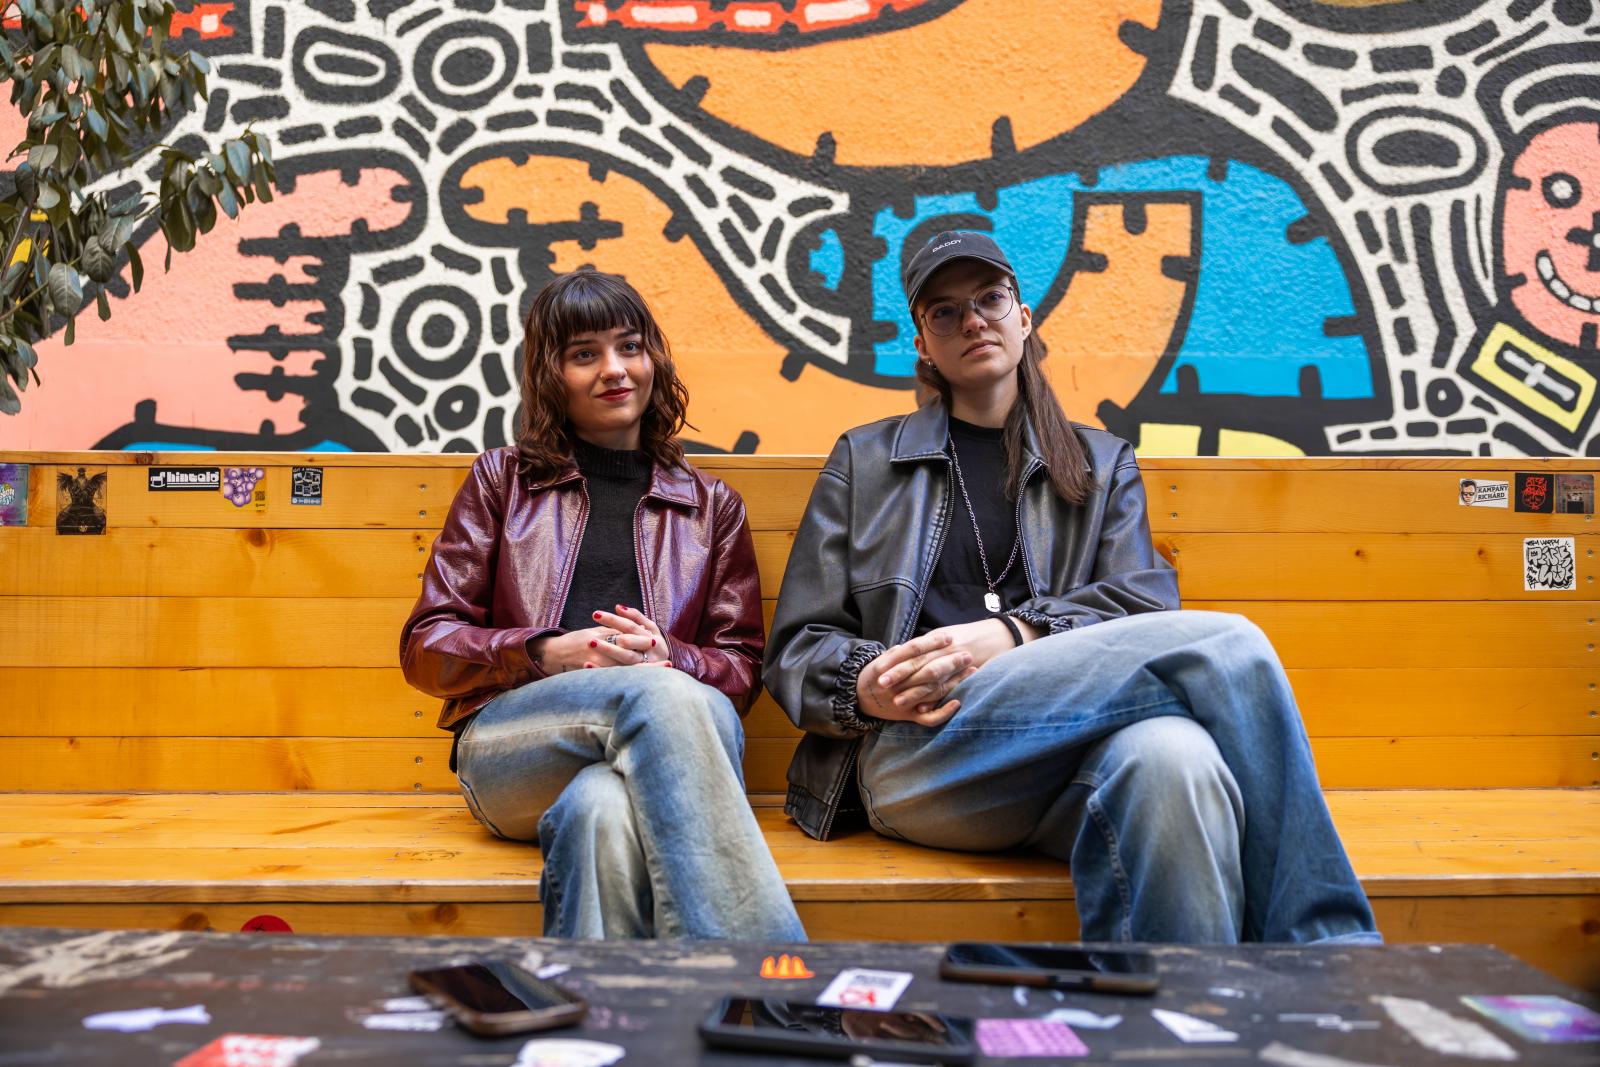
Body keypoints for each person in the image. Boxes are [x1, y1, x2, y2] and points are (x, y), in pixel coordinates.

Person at [764, 231, 1379, 945]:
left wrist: (1016, 633)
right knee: (1230, 647)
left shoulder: (1101, 462)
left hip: (1071, 765)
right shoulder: (866, 460)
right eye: (945, 311)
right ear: (923, 343)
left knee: (1174, 759)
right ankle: (1327, 951)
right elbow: (797, 646)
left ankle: (1187, 1011)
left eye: (990, 299)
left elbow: (1143, 606)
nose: (973, 321)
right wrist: (866, 686)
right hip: (920, 758)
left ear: (1024, 318)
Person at [400, 268, 804, 941]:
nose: (614, 369)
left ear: (654, 359)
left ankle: (602, 1004)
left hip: (664, 751)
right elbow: (426, 645)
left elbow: (740, 672)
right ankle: (764, 980)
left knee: (601, 807)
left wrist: (671, 655)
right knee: (660, 694)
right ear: (549, 375)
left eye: (630, 346)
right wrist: (542, 652)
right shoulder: (502, 481)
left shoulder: (711, 507)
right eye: (584, 353)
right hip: (515, 750)